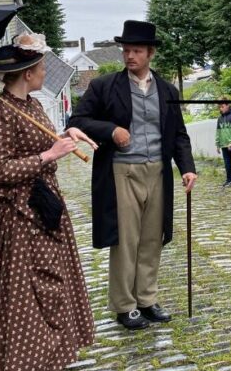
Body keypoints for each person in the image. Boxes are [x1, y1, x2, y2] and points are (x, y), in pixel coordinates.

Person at [0, 33, 97, 371]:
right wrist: (48, 156)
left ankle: (42, 365)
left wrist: (66, 133)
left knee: (50, 288)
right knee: (27, 296)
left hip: (43, 208)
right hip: (19, 216)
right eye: (39, 68)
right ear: (26, 74)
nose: (43, 73)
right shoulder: (1, 113)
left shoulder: (33, 106)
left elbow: (42, 140)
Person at [68, 20, 197, 331]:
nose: (129, 56)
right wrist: (111, 130)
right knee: (126, 240)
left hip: (158, 171)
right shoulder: (104, 86)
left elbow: (179, 134)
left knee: (153, 239)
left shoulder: (167, 90)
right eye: (126, 50)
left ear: (150, 53)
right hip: (120, 172)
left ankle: (147, 299)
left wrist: (188, 167)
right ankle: (125, 305)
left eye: (136, 50)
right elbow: (79, 120)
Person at [215, 98, 231, 188]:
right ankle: (229, 180)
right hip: (224, 145)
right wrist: (218, 144)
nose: (220, 109)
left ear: (227, 105)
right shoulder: (219, 119)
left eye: (222, 106)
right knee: (227, 164)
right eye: (219, 107)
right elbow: (218, 132)